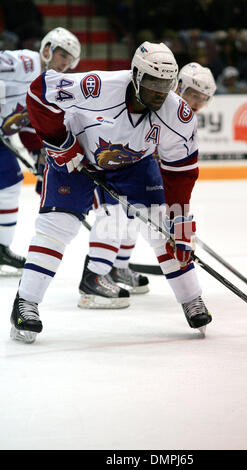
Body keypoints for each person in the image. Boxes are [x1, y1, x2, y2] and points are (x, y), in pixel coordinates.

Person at [10, 41, 212, 343]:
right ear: (136, 75)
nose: (160, 92)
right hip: (76, 158)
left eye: (166, 84)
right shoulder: (97, 87)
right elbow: (39, 93)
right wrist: (61, 142)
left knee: (163, 228)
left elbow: (181, 172)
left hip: (135, 165)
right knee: (57, 227)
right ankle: (25, 302)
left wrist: (179, 221)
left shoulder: (177, 113)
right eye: (153, 83)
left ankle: (192, 298)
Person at [0, 27, 81, 276]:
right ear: (47, 50)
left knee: (10, 183)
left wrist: (39, 157)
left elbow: (26, 124)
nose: (65, 65)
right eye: (62, 56)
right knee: (10, 179)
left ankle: (1, 247)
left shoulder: (51, 89)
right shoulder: (26, 62)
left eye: (70, 62)